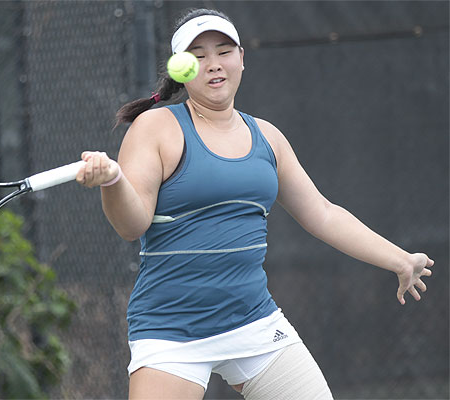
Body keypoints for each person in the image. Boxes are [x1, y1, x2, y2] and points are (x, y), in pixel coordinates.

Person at [75, 8, 434, 400]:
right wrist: (113, 181)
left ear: (242, 58)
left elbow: (324, 214)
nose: (213, 64)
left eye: (223, 51)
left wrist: (399, 259)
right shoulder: (157, 127)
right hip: (171, 331)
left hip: (253, 323)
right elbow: (132, 224)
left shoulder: (268, 138)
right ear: (180, 69)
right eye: (197, 55)